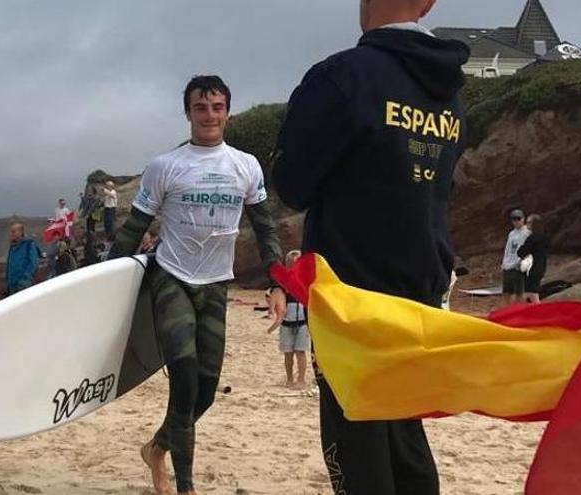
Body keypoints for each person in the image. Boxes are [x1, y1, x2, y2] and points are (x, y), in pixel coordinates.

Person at [272, 0, 470, 492]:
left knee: (356, 439)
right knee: (404, 430)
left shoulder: (342, 77)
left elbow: (293, 183)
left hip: (351, 297)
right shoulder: (449, 94)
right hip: (420, 291)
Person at [108, 75, 285, 495]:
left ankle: (157, 447)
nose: (210, 115)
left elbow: (265, 228)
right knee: (185, 378)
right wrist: (107, 282)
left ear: (227, 111)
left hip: (215, 286)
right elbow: (134, 229)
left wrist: (279, 284)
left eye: (217, 107)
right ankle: (185, 487)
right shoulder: (166, 166)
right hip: (172, 277)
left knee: (204, 392)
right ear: (187, 112)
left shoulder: (245, 165)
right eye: (201, 108)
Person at [267, 250, 310, 389]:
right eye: (291, 264)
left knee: (301, 352)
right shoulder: (282, 284)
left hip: (302, 323)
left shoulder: (307, 281)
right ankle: (290, 379)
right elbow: (270, 294)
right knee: (288, 353)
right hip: (286, 323)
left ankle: (301, 379)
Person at [502, 208, 530, 305]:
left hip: (518, 265)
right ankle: (506, 310)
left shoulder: (527, 233)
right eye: (514, 219)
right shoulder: (512, 233)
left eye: (519, 219)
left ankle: (518, 311)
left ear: (523, 219)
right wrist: (504, 263)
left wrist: (523, 262)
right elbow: (508, 249)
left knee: (519, 292)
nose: (516, 221)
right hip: (508, 264)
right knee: (506, 291)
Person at [518, 213, 548, 303]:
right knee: (531, 293)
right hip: (541, 267)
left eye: (529, 222)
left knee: (531, 294)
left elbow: (521, 252)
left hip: (531, 268)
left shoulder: (532, 238)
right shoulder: (544, 237)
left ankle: (538, 312)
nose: (527, 225)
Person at [5, 223, 40, 295]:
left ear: (20, 232)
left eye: (13, 231)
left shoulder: (29, 244)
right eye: (11, 232)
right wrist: (7, 281)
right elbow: (9, 264)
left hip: (23, 284)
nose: (11, 234)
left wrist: (25, 278)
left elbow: (34, 262)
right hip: (11, 284)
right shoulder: (12, 247)